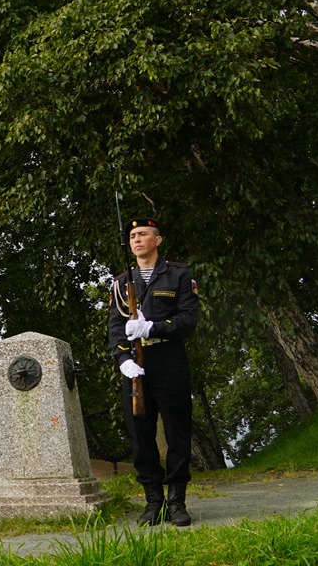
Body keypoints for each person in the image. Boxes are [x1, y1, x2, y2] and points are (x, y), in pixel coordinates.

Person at [108, 217, 199, 527]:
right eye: (132, 235)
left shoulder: (178, 275)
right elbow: (115, 327)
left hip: (168, 357)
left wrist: (153, 326)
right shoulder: (121, 282)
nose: (136, 239)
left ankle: (176, 501)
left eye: (143, 234)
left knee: (177, 429)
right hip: (135, 363)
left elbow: (188, 319)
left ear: (157, 240)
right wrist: (122, 358)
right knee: (139, 433)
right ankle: (153, 501)